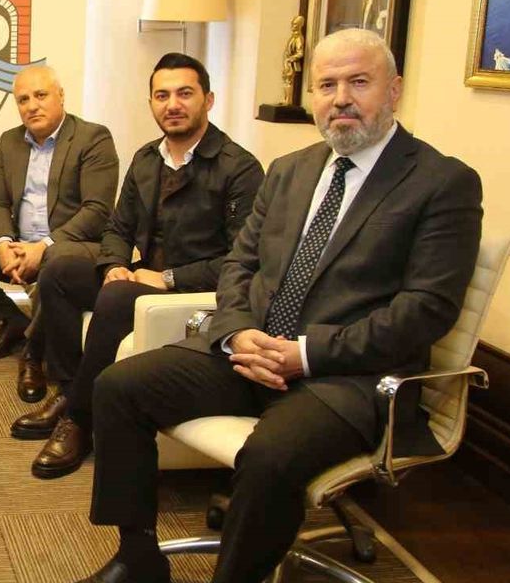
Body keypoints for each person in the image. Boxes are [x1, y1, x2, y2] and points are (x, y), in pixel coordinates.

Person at [76, 28, 483, 583]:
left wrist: (305, 354)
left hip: (346, 377)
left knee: (268, 456)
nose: (341, 98)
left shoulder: (441, 182)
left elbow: (426, 310)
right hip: (251, 351)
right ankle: (138, 557)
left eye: (359, 82)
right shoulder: (291, 169)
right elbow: (240, 266)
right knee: (118, 387)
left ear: (394, 90)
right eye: (327, 85)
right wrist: (237, 333)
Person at [12, 53, 263, 480]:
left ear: (208, 100)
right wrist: (113, 264)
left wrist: (167, 278)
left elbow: (244, 260)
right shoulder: (147, 159)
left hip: (195, 291)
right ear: (151, 103)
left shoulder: (239, 169)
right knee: (60, 271)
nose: (173, 104)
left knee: (116, 297)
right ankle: (70, 390)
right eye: (162, 96)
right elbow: (117, 227)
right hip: (139, 278)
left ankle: (79, 420)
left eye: (185, 93)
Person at [0, 64, 118, 402]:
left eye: (40, 95)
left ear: (60, 96)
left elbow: (97, 211)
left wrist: (44, 247)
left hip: (73, 248)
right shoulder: (10, 141)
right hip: (21, 242)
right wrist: (4, 245)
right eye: (23, 99)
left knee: (56, 260)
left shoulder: (93, 138)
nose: (32, 106)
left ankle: (33, 354)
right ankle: (13, 322)